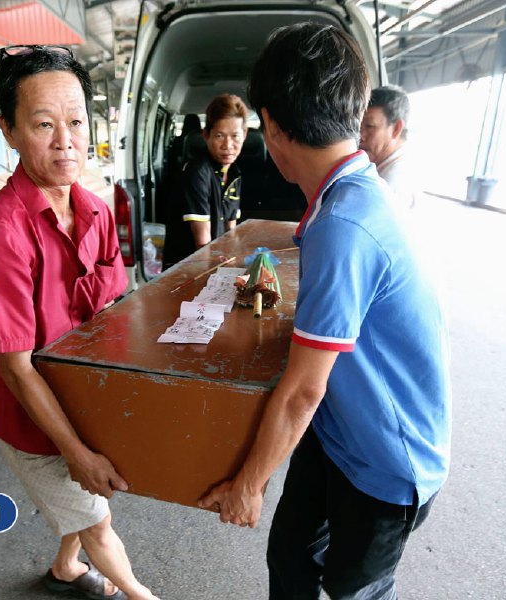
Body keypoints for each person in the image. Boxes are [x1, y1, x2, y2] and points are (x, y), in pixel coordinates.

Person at [199, 23, 451, 600]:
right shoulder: (346, 191)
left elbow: (302, 391)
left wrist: (248, 485)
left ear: (272, 127)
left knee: (352, 589)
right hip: (340, 431)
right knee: (290, 556)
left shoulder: (345, 223)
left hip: (387, 461)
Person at [0, 45, 158, 600]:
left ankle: (66, 568)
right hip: (38, 425)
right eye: (44, 124)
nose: (65, 140)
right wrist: (78, 452)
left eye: (75, 121)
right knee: (97, 519)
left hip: (86, 401)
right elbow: (18, 370)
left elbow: (114, 306)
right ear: (9, 129)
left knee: (84, 500)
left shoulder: (95, 208)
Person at [163, 94, 248, 268]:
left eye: (235, 136)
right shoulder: (197, 172)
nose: (228, 145)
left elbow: (230, 230)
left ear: (245, 135)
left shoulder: (234, 173)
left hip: (211, 260)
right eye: (219, 136)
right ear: (206, 135)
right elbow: (202, 243)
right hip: (187, 267)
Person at [359, 84, 418, 208]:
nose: (360, 136)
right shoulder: (384, 166)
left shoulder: (394, 183)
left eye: (369, 126)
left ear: (396, 129)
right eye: (359, 126)